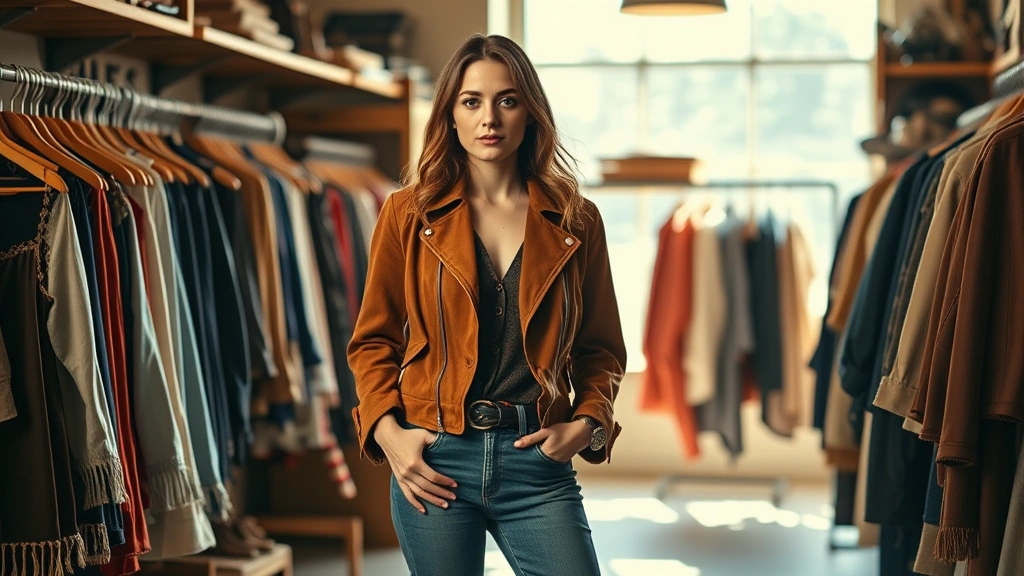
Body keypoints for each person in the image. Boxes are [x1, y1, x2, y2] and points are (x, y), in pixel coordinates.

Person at [346, 33, 626, 576]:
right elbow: (374, 340)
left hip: (537, 462)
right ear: (450, 115)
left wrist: (589, 423)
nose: (489, 118)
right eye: (471, 101)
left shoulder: (577, 219)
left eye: (508, 100)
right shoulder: (408, 213)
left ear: (531, 114)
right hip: (434, 456)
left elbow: (601, 348)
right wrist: (390, 436)